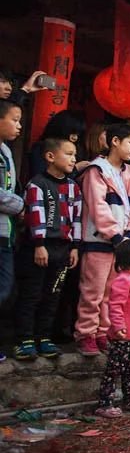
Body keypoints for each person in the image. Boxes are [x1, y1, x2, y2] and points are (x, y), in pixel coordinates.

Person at [75, 123, 130, 357]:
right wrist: (116, 235)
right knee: (93, 290)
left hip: (123, 243)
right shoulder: (96, 171)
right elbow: (98, 207)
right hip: (99, 240)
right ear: (115, 141)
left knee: (112, 291)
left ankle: (103, 332)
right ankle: (86, 333)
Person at [13, 137, 81, 360]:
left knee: (53, 294)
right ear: (50, 157)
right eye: (68, 154)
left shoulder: (73, 187)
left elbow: (76, 219)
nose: (74, 159)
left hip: (63, 248)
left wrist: (75, 246)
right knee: (32, 293)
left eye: (74, 155)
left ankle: (44, 337)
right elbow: (35, 217)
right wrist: (39, 244)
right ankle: (24, 339)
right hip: (39, 248)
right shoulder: (37, 184)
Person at [95, 239, 130, 418]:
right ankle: (105, 401)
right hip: (122, 336)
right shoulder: (122, 281)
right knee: (114, 369)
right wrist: (118, 326)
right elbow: (116, 305)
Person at [0, 100, 24, 360]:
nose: (19, 126)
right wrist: (20, 205)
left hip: (6, 231)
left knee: (6, 287)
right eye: (14, 119)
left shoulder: (6, 151)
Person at [27, 110, 86, 180]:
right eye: (72, 133)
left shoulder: (77, 148)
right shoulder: (41, 148)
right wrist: (75, 169)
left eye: (78, 134)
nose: (75, 138)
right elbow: (40, 178)